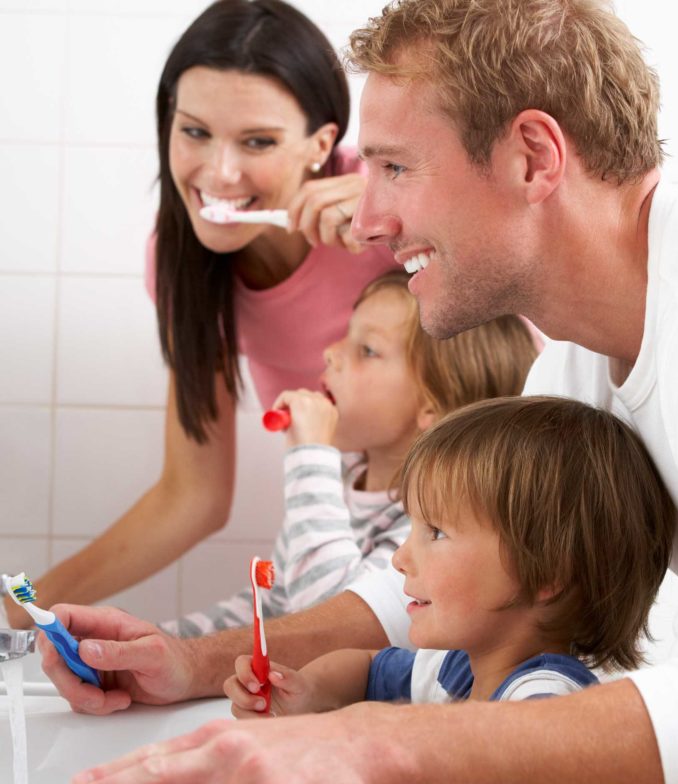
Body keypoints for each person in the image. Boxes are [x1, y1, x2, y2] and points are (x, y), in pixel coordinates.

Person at [44, 2, 678, 784]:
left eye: (396, 168)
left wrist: (371, 744)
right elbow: (454, 575)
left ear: (532, 158)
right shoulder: (578, 350)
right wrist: (194, 662)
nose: (365, 220)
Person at [2, 0, 396, 630]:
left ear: (321, 144)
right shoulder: (179, 261)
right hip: (350, 537)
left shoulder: (386, 202)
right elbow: (193, 496)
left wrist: (412, 208)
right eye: (194, 131)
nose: (218, 172)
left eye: (258, 141)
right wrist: (21, 612)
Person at [225, 395, 675, 784]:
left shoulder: (550, 697)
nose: (400, 558)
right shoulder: (455, 672)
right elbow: (368, 670)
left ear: (544, 570)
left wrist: (384, 762)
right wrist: (306, 691)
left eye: (435, 532)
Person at [159, 270, 536, 638]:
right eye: (346, 336)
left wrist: (310, 456)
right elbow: (272, 605)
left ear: (430, 407)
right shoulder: (341, 479)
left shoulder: (432, 520)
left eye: (367, 350)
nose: (331, 353)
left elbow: (326, 622)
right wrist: (164, 642)